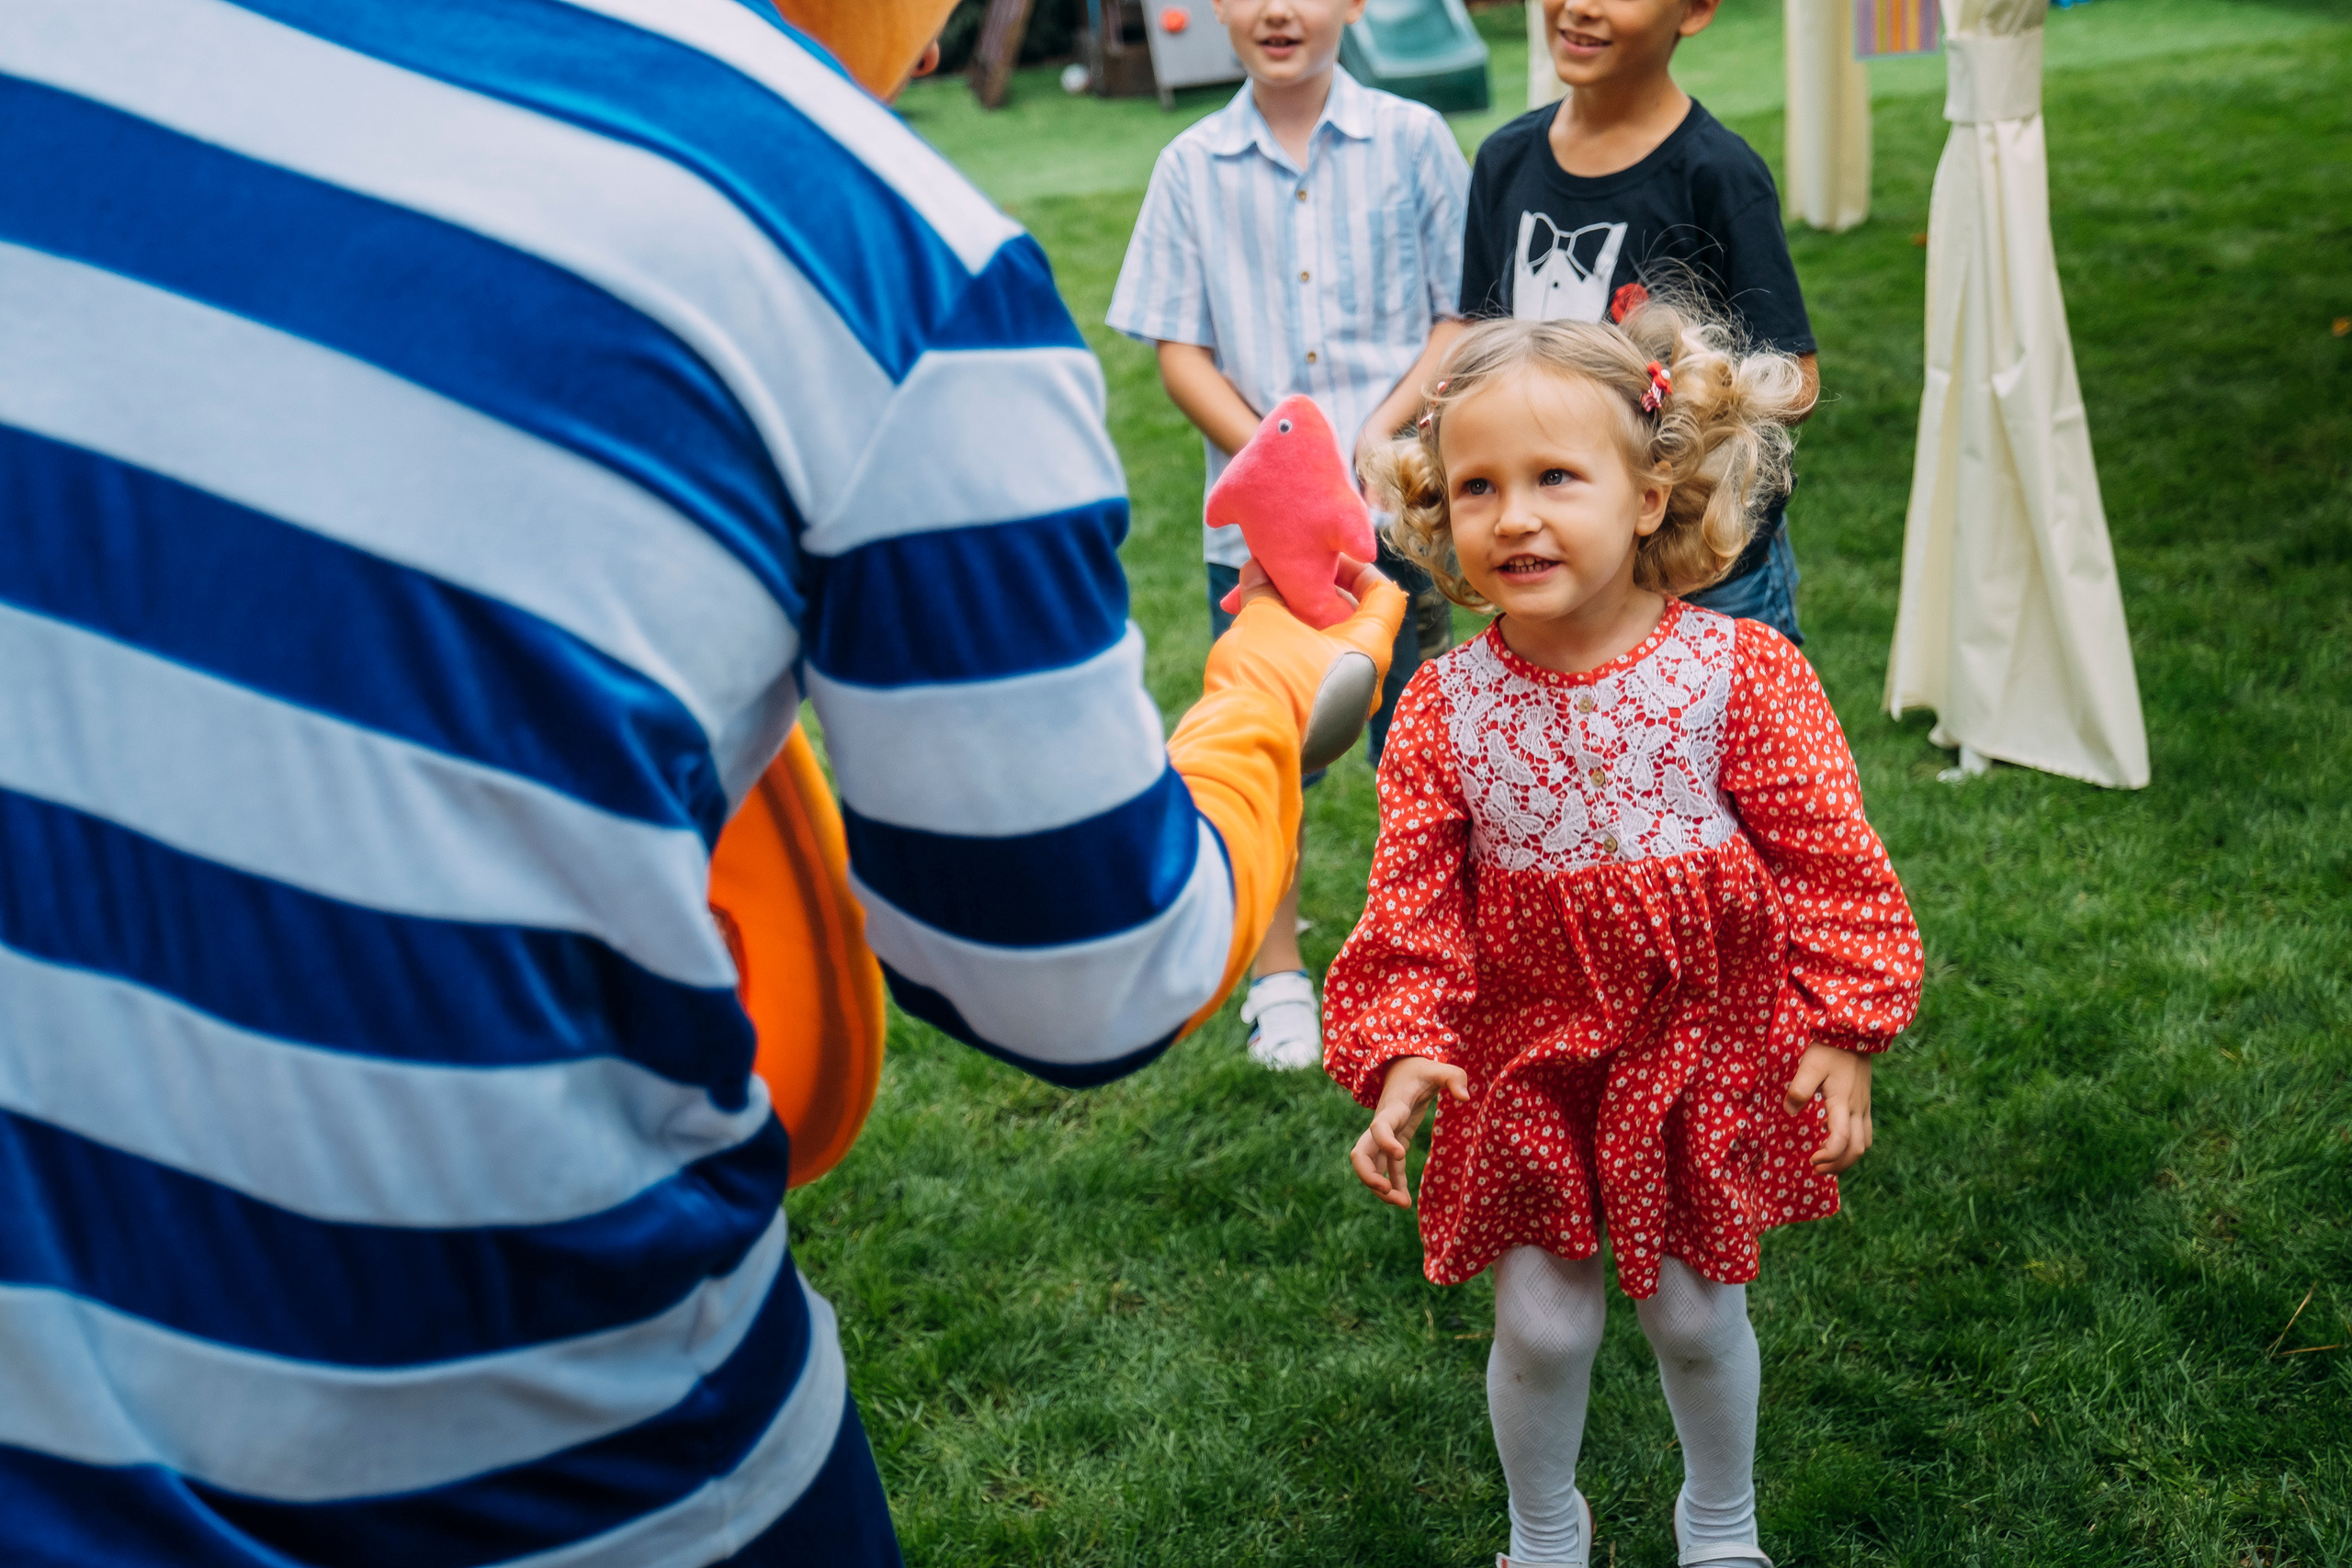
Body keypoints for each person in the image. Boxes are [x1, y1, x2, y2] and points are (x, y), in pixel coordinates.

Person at [0, 2, 1401, 1565]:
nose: (933, 53)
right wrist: (1278, 667)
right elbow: (1091, 974)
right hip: (576, 1484)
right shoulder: (870, 240)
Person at [1327, 307, 1923, 1568]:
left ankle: (1721, 1519)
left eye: (1556, 477)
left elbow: (1830, 863)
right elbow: (1413, 902)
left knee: (1700, 1314)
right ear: (1441, 511)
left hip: (1697, 1037)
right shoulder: (1443, 703)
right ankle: (1545, 1528)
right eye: (1477, 485)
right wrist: (1403, 1048)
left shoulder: (1742, 672)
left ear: (1650, 494)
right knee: (1543, 1323)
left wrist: (1846, 1026)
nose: (1515, 516)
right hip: (1528, 1051)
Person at [1106, 0, 1470, 1070]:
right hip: (1262, 545)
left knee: (1424, 746)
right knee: (1273, 755)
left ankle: (1431, 963)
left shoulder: (1413, 140)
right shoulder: (1190, 164)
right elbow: (1181, 351)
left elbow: (1459, 314)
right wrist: (1285, 465)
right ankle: (1277, 978)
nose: (1278, 11)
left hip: (1400, 510)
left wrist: (1378, 433)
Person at [1460, 0, 1821, 644]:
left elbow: (1794, 379)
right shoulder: (1502, 164)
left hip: (1707, 575)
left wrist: (1687, 423)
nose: (1579, 8)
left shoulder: (1721, 176)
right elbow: (1479, 354)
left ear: (1696, 10)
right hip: (1564, 568)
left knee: (1727, 743)